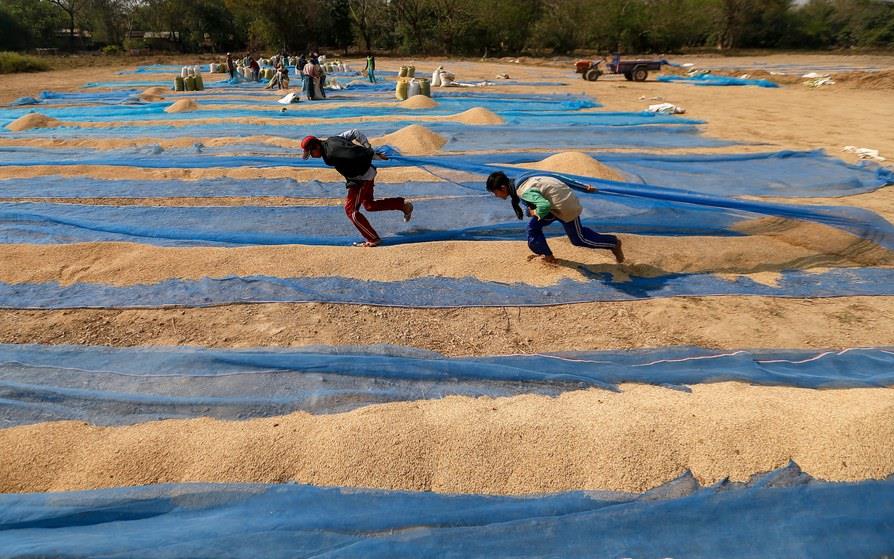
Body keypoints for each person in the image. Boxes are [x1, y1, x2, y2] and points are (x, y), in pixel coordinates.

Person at [301, 130, 413, 247]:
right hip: (367, 173)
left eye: (311, 153)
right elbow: (354, 133)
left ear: (316, 146)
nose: (312, 156)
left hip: (361, 179)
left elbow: (355, 154)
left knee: (350, 210)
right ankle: (403, 205)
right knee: (369, 205)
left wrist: (372, 154)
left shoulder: (332, 153)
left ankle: (373, 238)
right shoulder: (333, 140)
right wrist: (368, 146)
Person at [485, 171, 624, 263]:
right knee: (533, 228)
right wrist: (581, 186)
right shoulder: (521, 178)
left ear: (503, 188)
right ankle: (548, 256)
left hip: (564, 205)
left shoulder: (522, 191)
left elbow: (543, 206)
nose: (495, 195)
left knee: (578, 239)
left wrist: (532, 213)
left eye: (495, 192)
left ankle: (613, 243)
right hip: (554, 205)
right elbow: (555, 176)